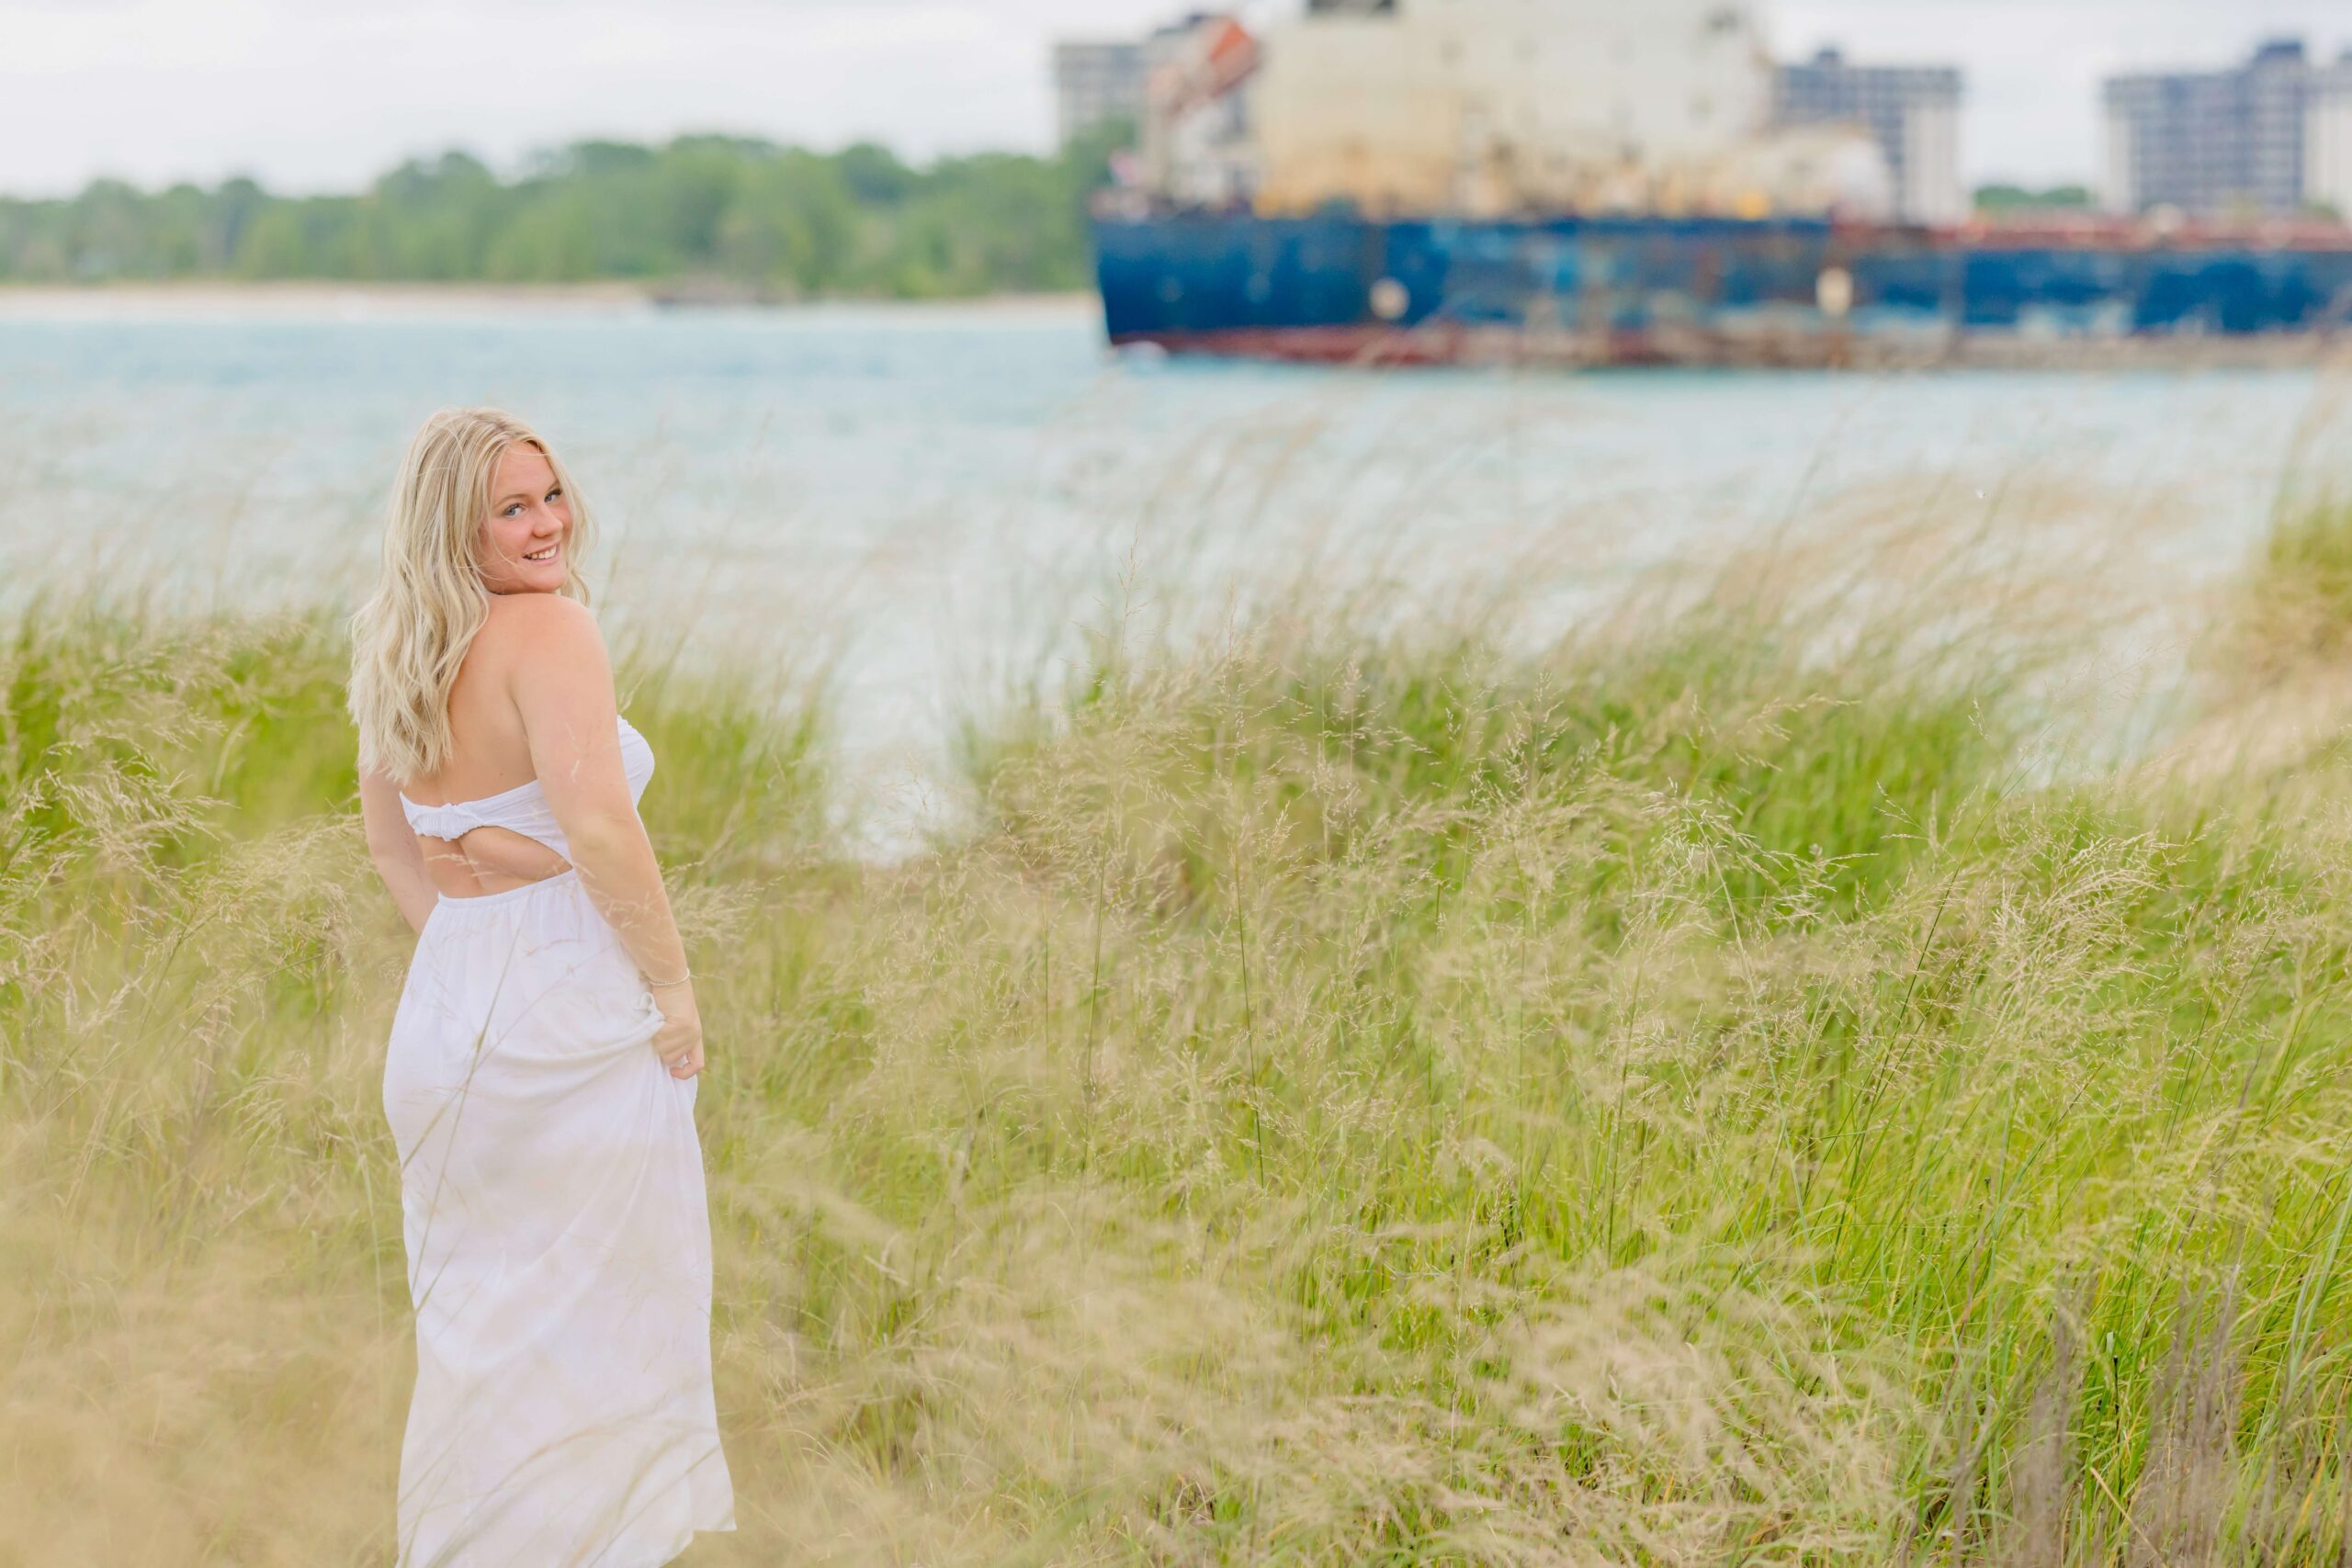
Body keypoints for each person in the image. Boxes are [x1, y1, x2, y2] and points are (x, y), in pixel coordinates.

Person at [349, 406, 737, 1565]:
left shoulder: (395, 638)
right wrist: (672, 989)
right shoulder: (553, 631)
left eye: (551, 494)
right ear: (451, 528)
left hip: (446, 1011)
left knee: (480, 1339)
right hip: (564, 1014)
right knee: (605, 1327)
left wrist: (479, 940)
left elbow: (392, 844)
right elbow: (602, 832)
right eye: (510, 509)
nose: (547, 524)